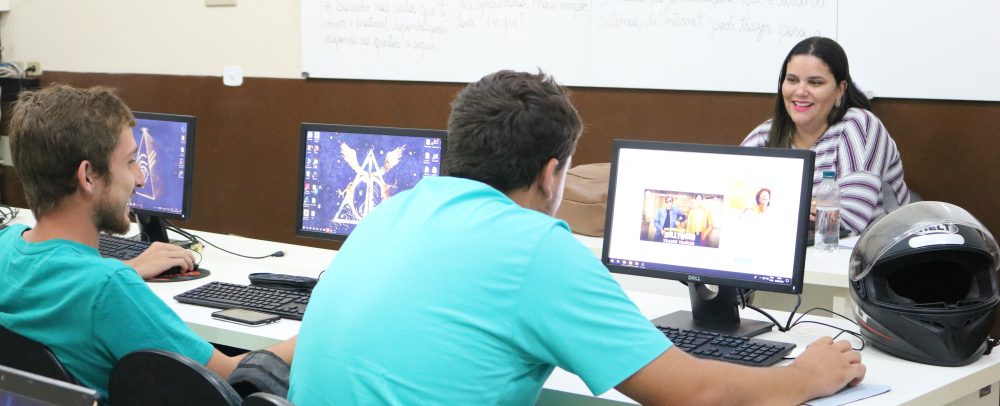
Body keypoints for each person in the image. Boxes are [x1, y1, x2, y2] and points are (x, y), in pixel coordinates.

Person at [289, 70, 865, 405]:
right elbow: (691, 393)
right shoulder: (534, 247)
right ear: (550, 174)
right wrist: (805, 377)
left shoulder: (392, 210)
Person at [0, 85, 296, 399]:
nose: (140, 178)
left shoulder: (7, 244)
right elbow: (230, 375)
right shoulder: (108, 288)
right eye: (130, 161)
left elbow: (61, 277)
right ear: (87, 177)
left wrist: (126, 268)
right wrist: (316, 331)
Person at [741, 36, 910, 234]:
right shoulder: (765, 135)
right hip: (789, 245)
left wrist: (776, 206)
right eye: (792, 80)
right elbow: (734, 203)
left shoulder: (858, 126)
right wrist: (809, 206)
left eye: (815, 83)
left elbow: (848, 220)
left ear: (840, 90)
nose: (800, 91)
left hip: (872, 247)